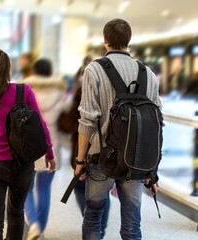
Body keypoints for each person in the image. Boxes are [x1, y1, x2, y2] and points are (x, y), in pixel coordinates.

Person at [74, 19, 161, 240]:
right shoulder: (148, 74)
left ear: (105, 41)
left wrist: (80, 160)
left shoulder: (94, 70)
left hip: (101, 159)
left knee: (93, 214)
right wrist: (153, 168)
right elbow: (157, 124)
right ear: (128, 41)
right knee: (132, 223)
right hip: (137, 161)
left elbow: (87, 120)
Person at [0, 48, 56, 240]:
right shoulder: (24, 91)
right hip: (21, 165)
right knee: (16, 214)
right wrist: (49, 153)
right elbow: (40, 124)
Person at [18, 58, 65, 239]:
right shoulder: (59, 91)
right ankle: (41, 228)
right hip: (50, 146)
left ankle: (34, 224)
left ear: (34, 71)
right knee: (44, 190)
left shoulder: (23, 90)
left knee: (26, 189)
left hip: (28, 146)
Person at [69, 57, 110, 239]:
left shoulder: (81, 94)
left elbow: (77, 122)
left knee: (84, 191)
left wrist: (79, 159)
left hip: (87, 149)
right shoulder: (111, 89)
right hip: (107, 151)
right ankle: (100, 226)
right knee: (102, 194)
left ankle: (95, 224)